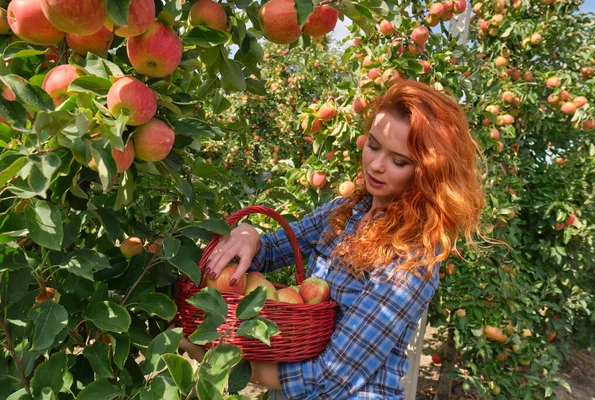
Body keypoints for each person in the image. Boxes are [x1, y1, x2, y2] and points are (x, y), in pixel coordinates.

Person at [180, 79, 488, 399]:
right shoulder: (347, 211)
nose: (377, 166)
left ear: (427, 172)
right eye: (373, 145)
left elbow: (328, 377)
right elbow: (270, 251)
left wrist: (213, 359)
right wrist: (248, 233)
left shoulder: (412, 258)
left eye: (399, 161)